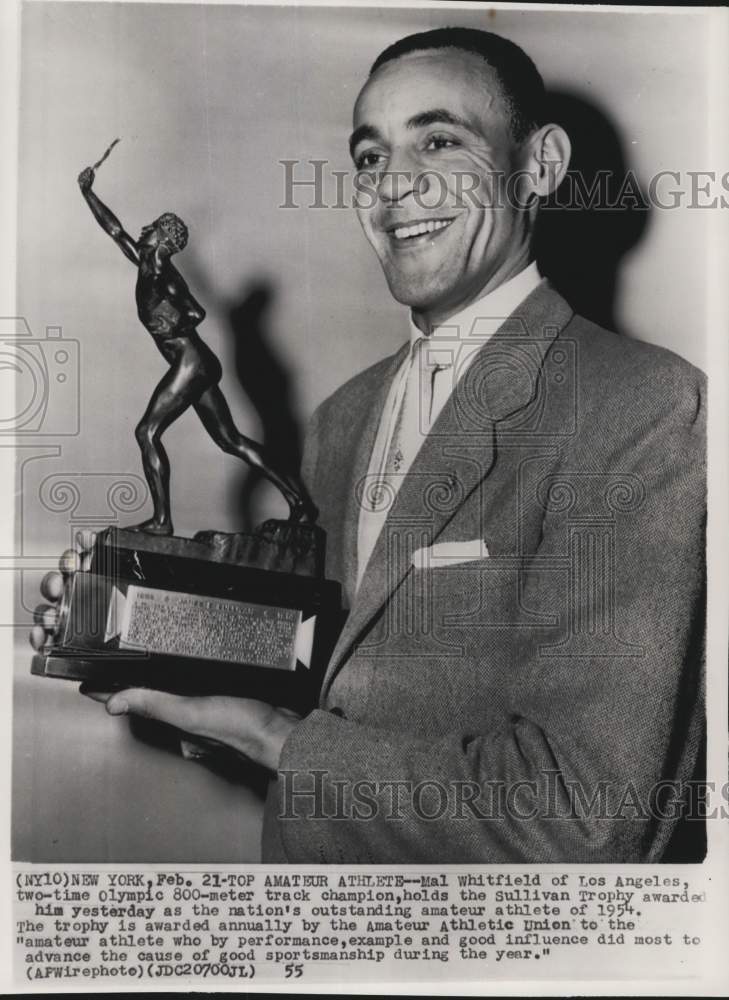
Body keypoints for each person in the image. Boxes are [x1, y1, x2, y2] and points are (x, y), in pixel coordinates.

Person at [34, 28, 705, 862]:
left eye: (438, 140)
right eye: (368, 156)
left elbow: (584, 814)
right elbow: (326, 680)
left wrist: (278, 740)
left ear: (539, 165)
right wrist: (151, 629)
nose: (394, 185)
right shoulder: (344, 417)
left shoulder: (634, 403)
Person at [77, 166, 314, 533]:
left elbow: (196, 311)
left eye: (154, 226)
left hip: (191, 361)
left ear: (163, 237)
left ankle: (161, 521)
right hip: (198, 363)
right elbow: (114, 229)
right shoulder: (146, 264)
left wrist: (170, 321)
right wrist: (88, 193)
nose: (146, 228)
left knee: (147, 432)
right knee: (230, 440)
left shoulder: (164, 277)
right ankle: (300, 503)